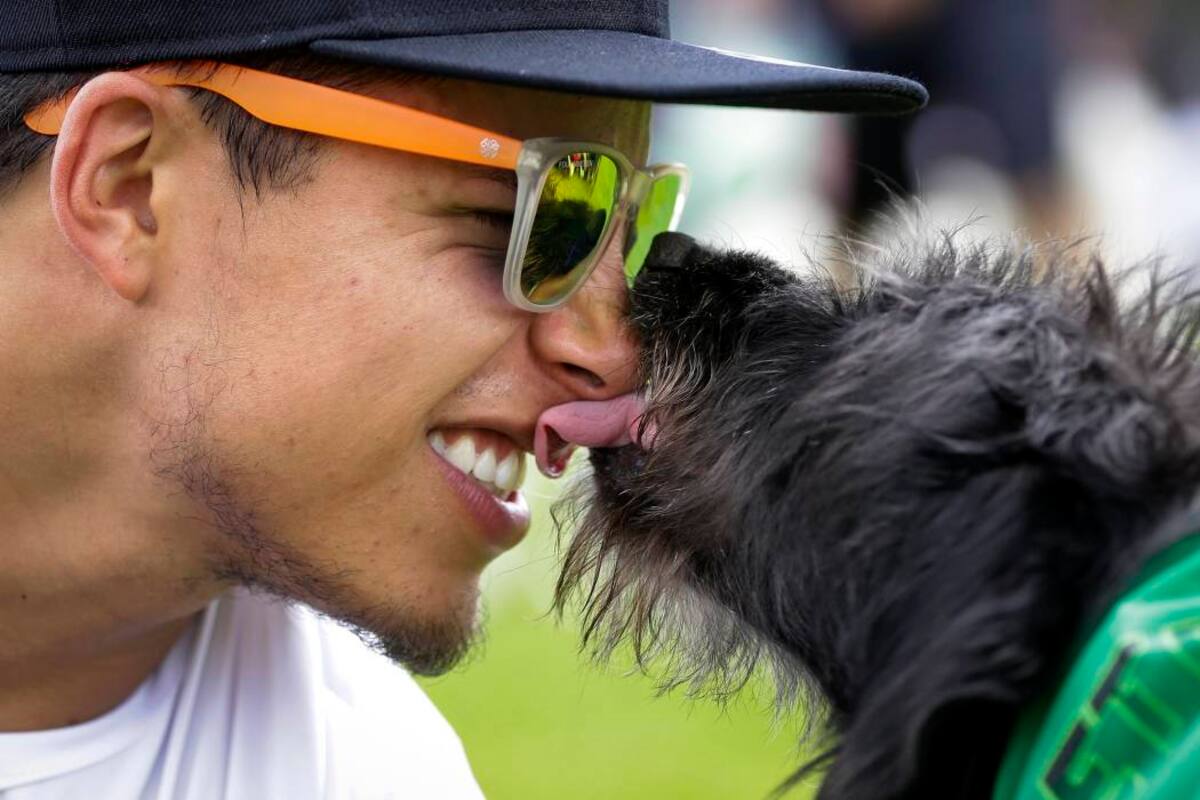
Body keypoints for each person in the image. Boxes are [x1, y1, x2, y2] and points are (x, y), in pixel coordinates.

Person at [0, 1, 923, 797]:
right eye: (519, 219)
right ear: (130, 185)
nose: (614, 356)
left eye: (632, 227)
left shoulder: (370, 771)